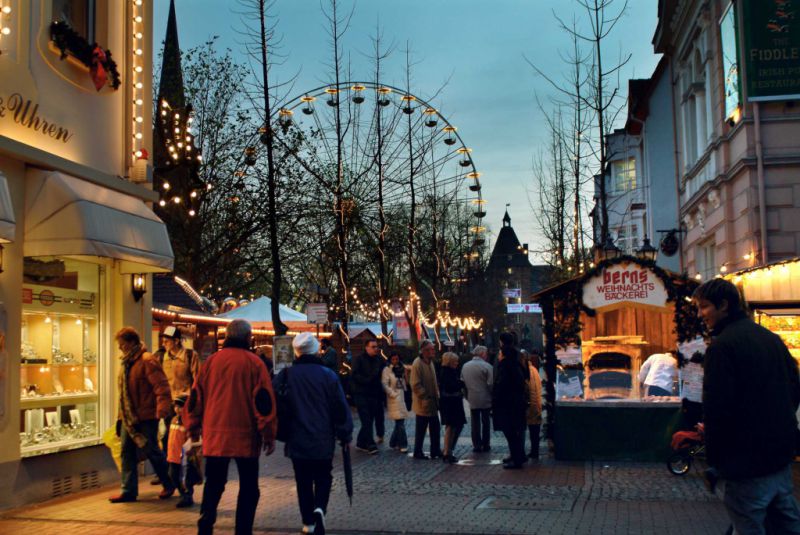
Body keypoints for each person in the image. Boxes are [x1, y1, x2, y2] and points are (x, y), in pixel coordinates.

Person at [694, 278, 800, 534]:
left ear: (724, 305)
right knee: (786, 526)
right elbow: (794, 387)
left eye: (704, 307)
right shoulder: (770, 338)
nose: (700, 315)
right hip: (779, 456)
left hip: (746, 463)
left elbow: (718, 408)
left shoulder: (722, 347)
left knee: (750, 525)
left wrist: (716, 462)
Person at [187, 319, 277, 535]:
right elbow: (263, 403)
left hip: (215, 434)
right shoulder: (255, 364)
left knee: (214, 484)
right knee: (248, 487)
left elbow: (196, 396)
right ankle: (243, 530)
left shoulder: (211, 362)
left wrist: (192, 425)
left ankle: (205, 524)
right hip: (246, 435)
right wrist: (268, 434)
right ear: (248, 337)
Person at [274, 333, 352, 535]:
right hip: (322, 437)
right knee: (324, 476)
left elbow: (275, 402)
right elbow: (340, 407)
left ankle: (308, 522)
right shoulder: (328, 375)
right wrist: (345, 433)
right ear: (316, 349)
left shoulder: (286, 375)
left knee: (303, 481)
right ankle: (320, 508)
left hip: (297, 437)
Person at [109, 327, 174, 503]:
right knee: (126, 452)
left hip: (145, 417)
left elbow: (161, 387)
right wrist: (119, 418)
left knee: (152, 450)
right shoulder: (126, 362)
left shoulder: (147, 360)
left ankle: (169, 482)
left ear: (132, 343)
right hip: (128, 418)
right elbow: (123, 395)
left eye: (122, 344)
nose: (121, 348)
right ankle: (128, 490)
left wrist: (161, 411)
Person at [153, 326, 199, 485]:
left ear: (177, 341)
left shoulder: (189, 356)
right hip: (168, 405)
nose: (164, 343)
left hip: (184, 405)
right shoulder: (160, 357)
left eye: (167, 340)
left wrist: (191, 402)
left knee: (181, 441)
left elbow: (197, 380)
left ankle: (183, 476)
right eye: (163, 340)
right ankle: (169, 474)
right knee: (166, 439)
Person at [492, 332, 528, 469]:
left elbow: (503, 383)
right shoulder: (517, 359)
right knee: (514, 431)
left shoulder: (507, 365)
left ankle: (517, 458)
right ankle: (516, 455)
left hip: (508, 404)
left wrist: (497, 395)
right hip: (515, 402)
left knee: (511, 432)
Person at [350, 339, 385, 454]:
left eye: (377, 347)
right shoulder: (359, 359)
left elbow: (384, 372)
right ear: (366, 347)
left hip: (374, 394)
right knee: (366, 419)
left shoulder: (379, 360)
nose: (376, 349)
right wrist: (367, 380)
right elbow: (355, 375)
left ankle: (361, 442)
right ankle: (370, 444)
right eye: (373, 347)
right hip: (361, 393)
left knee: (369, 419)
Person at [411, 340, 442, 460]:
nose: (433, 351)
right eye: (431, 349)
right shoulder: (417, 363)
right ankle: (417, 451)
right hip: (423, 403)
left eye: (433, 349)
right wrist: (425, 396)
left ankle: (435, 450)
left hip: (432, 402)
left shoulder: (430, 362)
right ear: (424, 351)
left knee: (435, 428)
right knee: (421, 430)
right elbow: (415, 384)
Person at [461, 345, 493, 453]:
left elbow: (463, 383)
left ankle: (477, 444)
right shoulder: (487, 366)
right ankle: (486, 443)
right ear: (483, 354)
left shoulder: (465, 366)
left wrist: (467, 395)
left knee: (475, 422)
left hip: (472, 397)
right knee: (486, 422)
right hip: (485, 398)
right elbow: (490, 384)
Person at [166, 395, 195, 508]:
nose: (177, 409)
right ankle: (183, 493)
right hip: (173, 455)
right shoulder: (174, 419)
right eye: (176, 406)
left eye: (181, 407)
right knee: (173, 476)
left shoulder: (187, 421)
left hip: (183, 457)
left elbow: (189, 440)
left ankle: (187, 496)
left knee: (185, 478)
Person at [439, 352, 466, 464]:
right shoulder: (447, 372)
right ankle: (448, 451)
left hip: (451, 402)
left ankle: (448, 450)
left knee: (453, 427)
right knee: (451, 427)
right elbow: (452, 386)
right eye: (455, 361)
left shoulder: (448, 371)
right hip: (451, 403)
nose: (457, 363)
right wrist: (460, 384)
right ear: (450, 362)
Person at [381, 351, 410, 453]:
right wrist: (393, 394)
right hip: (394, 399)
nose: (395, 361)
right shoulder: (387, 370)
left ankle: (393, 442)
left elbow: (406, 384)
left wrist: (406, 375)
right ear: (390, 360)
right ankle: (403, 444)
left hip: (402, 398)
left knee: (399, 423)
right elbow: (384, 384)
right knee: (400, 423)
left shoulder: (402, 368)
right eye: (393, 359)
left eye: (396, 359)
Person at [526, 352, 543, 460]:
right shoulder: (534, 369)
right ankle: (534, 451)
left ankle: (534, 451)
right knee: (534, 431)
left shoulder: (528, 371)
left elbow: (530, 389)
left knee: (533, 431)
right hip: (536, 404)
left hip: (532, 406)